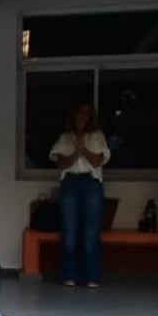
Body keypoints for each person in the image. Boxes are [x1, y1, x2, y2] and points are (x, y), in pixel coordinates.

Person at [50, 102, 110, 288]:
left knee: (91, 233)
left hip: (91, 183)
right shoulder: (64, 138)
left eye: (87, 113)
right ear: (74, 115)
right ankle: (69, 275)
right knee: (69, 232)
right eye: (80, 112)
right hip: (70, 182)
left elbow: (98, 161)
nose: (83, 116)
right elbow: (61, 163)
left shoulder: (97, 136)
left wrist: (83, 148)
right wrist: (76, 151)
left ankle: (92, 276)